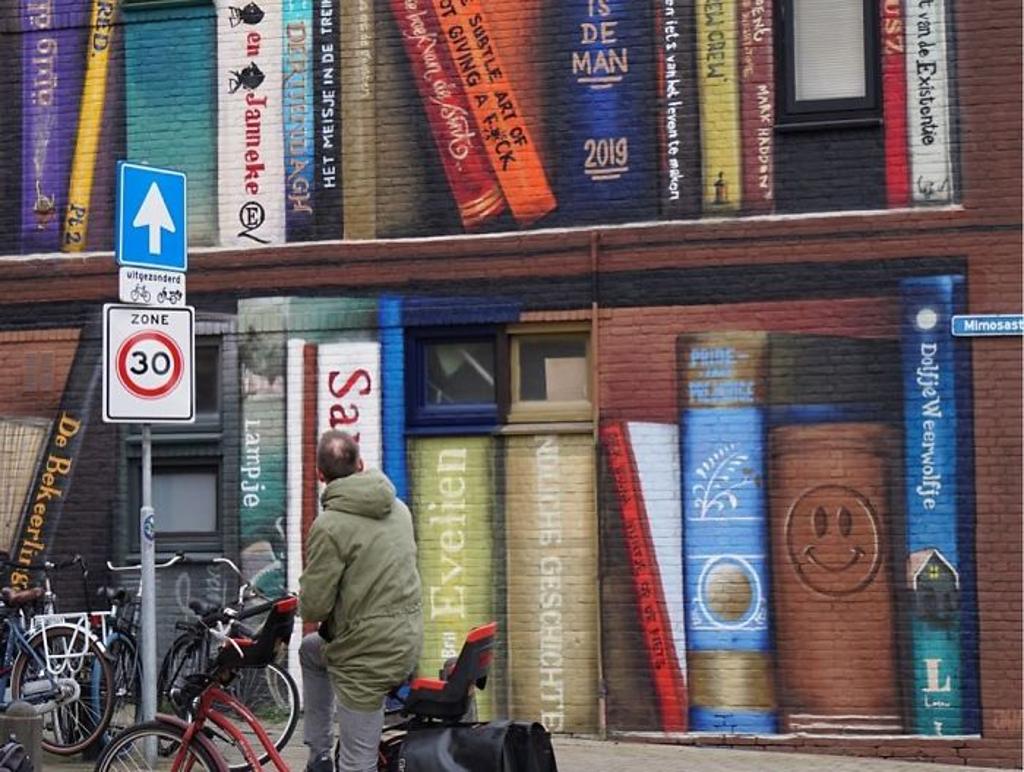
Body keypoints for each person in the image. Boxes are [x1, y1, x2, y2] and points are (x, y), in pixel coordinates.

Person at [299, 430, 423, 772]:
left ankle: (323, 755)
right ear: (361, 464)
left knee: (358, 764)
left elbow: (314, 607)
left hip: (368, 658)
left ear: (320, 477)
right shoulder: (398, 508)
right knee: (311, 651)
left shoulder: (329, 526)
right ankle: (321, 758)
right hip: (406, 639)